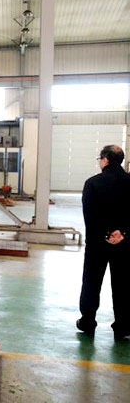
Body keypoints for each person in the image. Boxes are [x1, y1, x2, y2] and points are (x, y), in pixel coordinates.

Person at [77, 145, 130, 341]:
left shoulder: (92, 183)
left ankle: (88, 322)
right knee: (124, 284)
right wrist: (122, 233)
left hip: (97, 243)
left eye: (100, 158)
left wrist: (106, 234)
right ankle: (123, 326)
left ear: (106, 159)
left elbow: (90, 216)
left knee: (91, 283)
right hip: (124, 244)